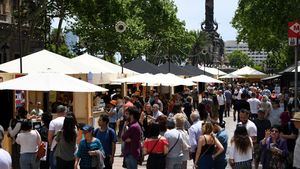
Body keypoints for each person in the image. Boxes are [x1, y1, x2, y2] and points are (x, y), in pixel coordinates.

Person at [48, 105, 66, 169]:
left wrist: (50, 145)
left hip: (55, 145)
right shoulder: (69, 121)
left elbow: (50, 136)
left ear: (57, 112)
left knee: (54, 165)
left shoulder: (53, 122)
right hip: (67, 146)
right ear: (65, 111)